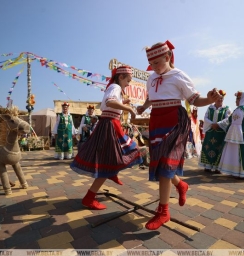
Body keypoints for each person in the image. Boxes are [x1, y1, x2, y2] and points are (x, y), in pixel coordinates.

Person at [136, 40, 221, 230]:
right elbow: (151, 97)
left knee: (165, 163)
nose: (155, 67)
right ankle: (181, 185)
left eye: (158, 62)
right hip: (157, 120)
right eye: (152, 64)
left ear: (167, 57)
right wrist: (144, 106)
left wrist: (210, 99)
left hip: (175, 121)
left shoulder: (178, 76)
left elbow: (195, 99)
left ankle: (163, 211)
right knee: (160, 165)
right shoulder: (151, 78)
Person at [71, 66, 142, 210]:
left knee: (114, 155)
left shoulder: (114, 87)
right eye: (128, 80)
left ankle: (112, 172)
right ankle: (90, 197)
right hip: (109, 125)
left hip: (110, 124)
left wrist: (123, 104)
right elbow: (109, 102)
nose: (129, 84)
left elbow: (109, 104)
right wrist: (128, 109)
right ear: (121, 77)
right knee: (115, 157)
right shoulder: (115, 87)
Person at [216, 91, 244, 180]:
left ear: (242, 99)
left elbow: (233, 122)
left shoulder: (240, 109)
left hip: (240, 134)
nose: (236, 101)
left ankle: (239, 173)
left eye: (237, 99)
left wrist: (220, 126)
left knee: (239, 153)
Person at [199, 90, 231, 173]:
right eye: (218, 98)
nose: (219, 100)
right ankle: (208, 166)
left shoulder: (226, 108)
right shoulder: (210, 108)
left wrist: (218, 124)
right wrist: (212, 124)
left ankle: (218, 167)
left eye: (221, 99)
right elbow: (206, 117)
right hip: (210, 131)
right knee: (208, 147)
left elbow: (228, 119)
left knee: (219, 149)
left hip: (220, 132)